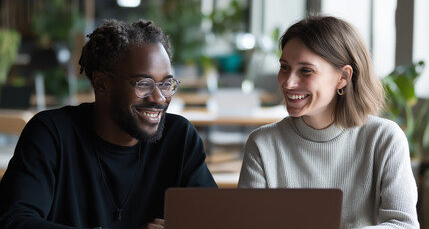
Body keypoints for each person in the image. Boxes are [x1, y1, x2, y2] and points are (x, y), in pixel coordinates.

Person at [0, 19, 217, 229]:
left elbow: (215, 219)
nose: (159, 98)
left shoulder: (179, 137)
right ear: (102, 84)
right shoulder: (51, 134)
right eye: (144, 84)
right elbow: (14, 221)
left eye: (166, 84)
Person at [238, 15, 420, 228]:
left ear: (342, 77)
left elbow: (403, 224)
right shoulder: (262, 144)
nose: (288, 82)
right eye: (285, 67)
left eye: (306, 70)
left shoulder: (385, 139)